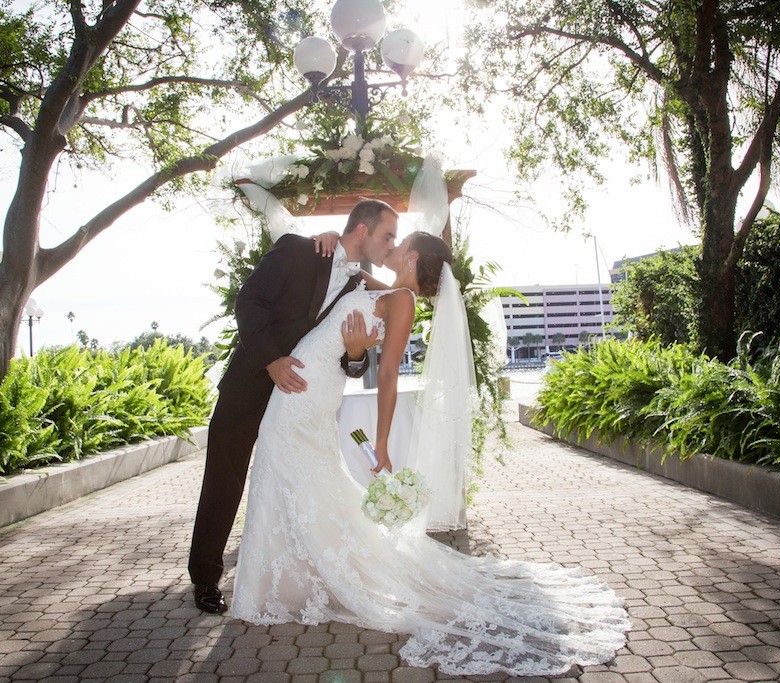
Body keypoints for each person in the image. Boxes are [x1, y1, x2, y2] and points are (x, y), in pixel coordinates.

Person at [232, 231, 631, 676]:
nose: (392, 246)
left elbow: (386, 375)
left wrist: (381, 442)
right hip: (307, 390)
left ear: (413, 255)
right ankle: (282, 580)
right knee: (297, 476)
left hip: (307, 395)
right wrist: (327, 243)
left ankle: (276, 584)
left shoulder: (402, 301)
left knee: (290, 469)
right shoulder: (392, 291)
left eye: (398, 242)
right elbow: (350, 270)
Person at [188, 199, 399, 615]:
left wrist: (356, 354)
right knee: (224, 478)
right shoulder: (299, 250)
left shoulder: (362, 285)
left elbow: (348, 359)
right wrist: (270, 360)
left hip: (299, 401)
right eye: (387, 235)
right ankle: (205, 576)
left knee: (291, 484)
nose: (390, 245)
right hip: (250, 385)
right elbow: (248, 303)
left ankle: (282, 571)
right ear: (362, 230)